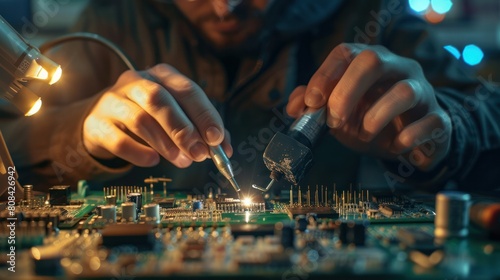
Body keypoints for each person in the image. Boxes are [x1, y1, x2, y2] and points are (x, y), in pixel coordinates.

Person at [2, 0, 499, 196]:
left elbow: (487, 110)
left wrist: (447, 133)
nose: (227, 5)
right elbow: (11, 143)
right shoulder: (113, 19)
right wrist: (79, 133)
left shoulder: (373, 14)